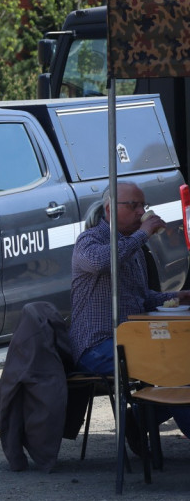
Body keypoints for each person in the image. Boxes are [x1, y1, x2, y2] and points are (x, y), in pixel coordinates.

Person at [70, 181, 190, 438]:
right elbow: (101, 263)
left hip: (131, 341)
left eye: (142, 205)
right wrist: (143, 234)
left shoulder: (133, 247)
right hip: (97, 346)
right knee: (176, 367)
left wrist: (177, 296)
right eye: (133, 205)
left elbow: (142, 299)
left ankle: (138, 421)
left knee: (182, 360)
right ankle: (140, 421)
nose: (140, 212)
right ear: (109, 209)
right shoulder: (89, 240)